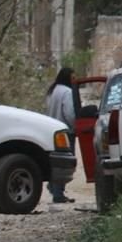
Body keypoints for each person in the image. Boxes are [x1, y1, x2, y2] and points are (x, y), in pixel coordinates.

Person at [46, 66, 76, 203]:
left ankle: (53, 187)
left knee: (56, 162)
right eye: (73, 77)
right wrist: (75, 126)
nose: (74, 80)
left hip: (51, 131)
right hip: (65, 132)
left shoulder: (53, 91)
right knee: (65, 163)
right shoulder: (67, 92)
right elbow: (69, 113)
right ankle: (58, 193)